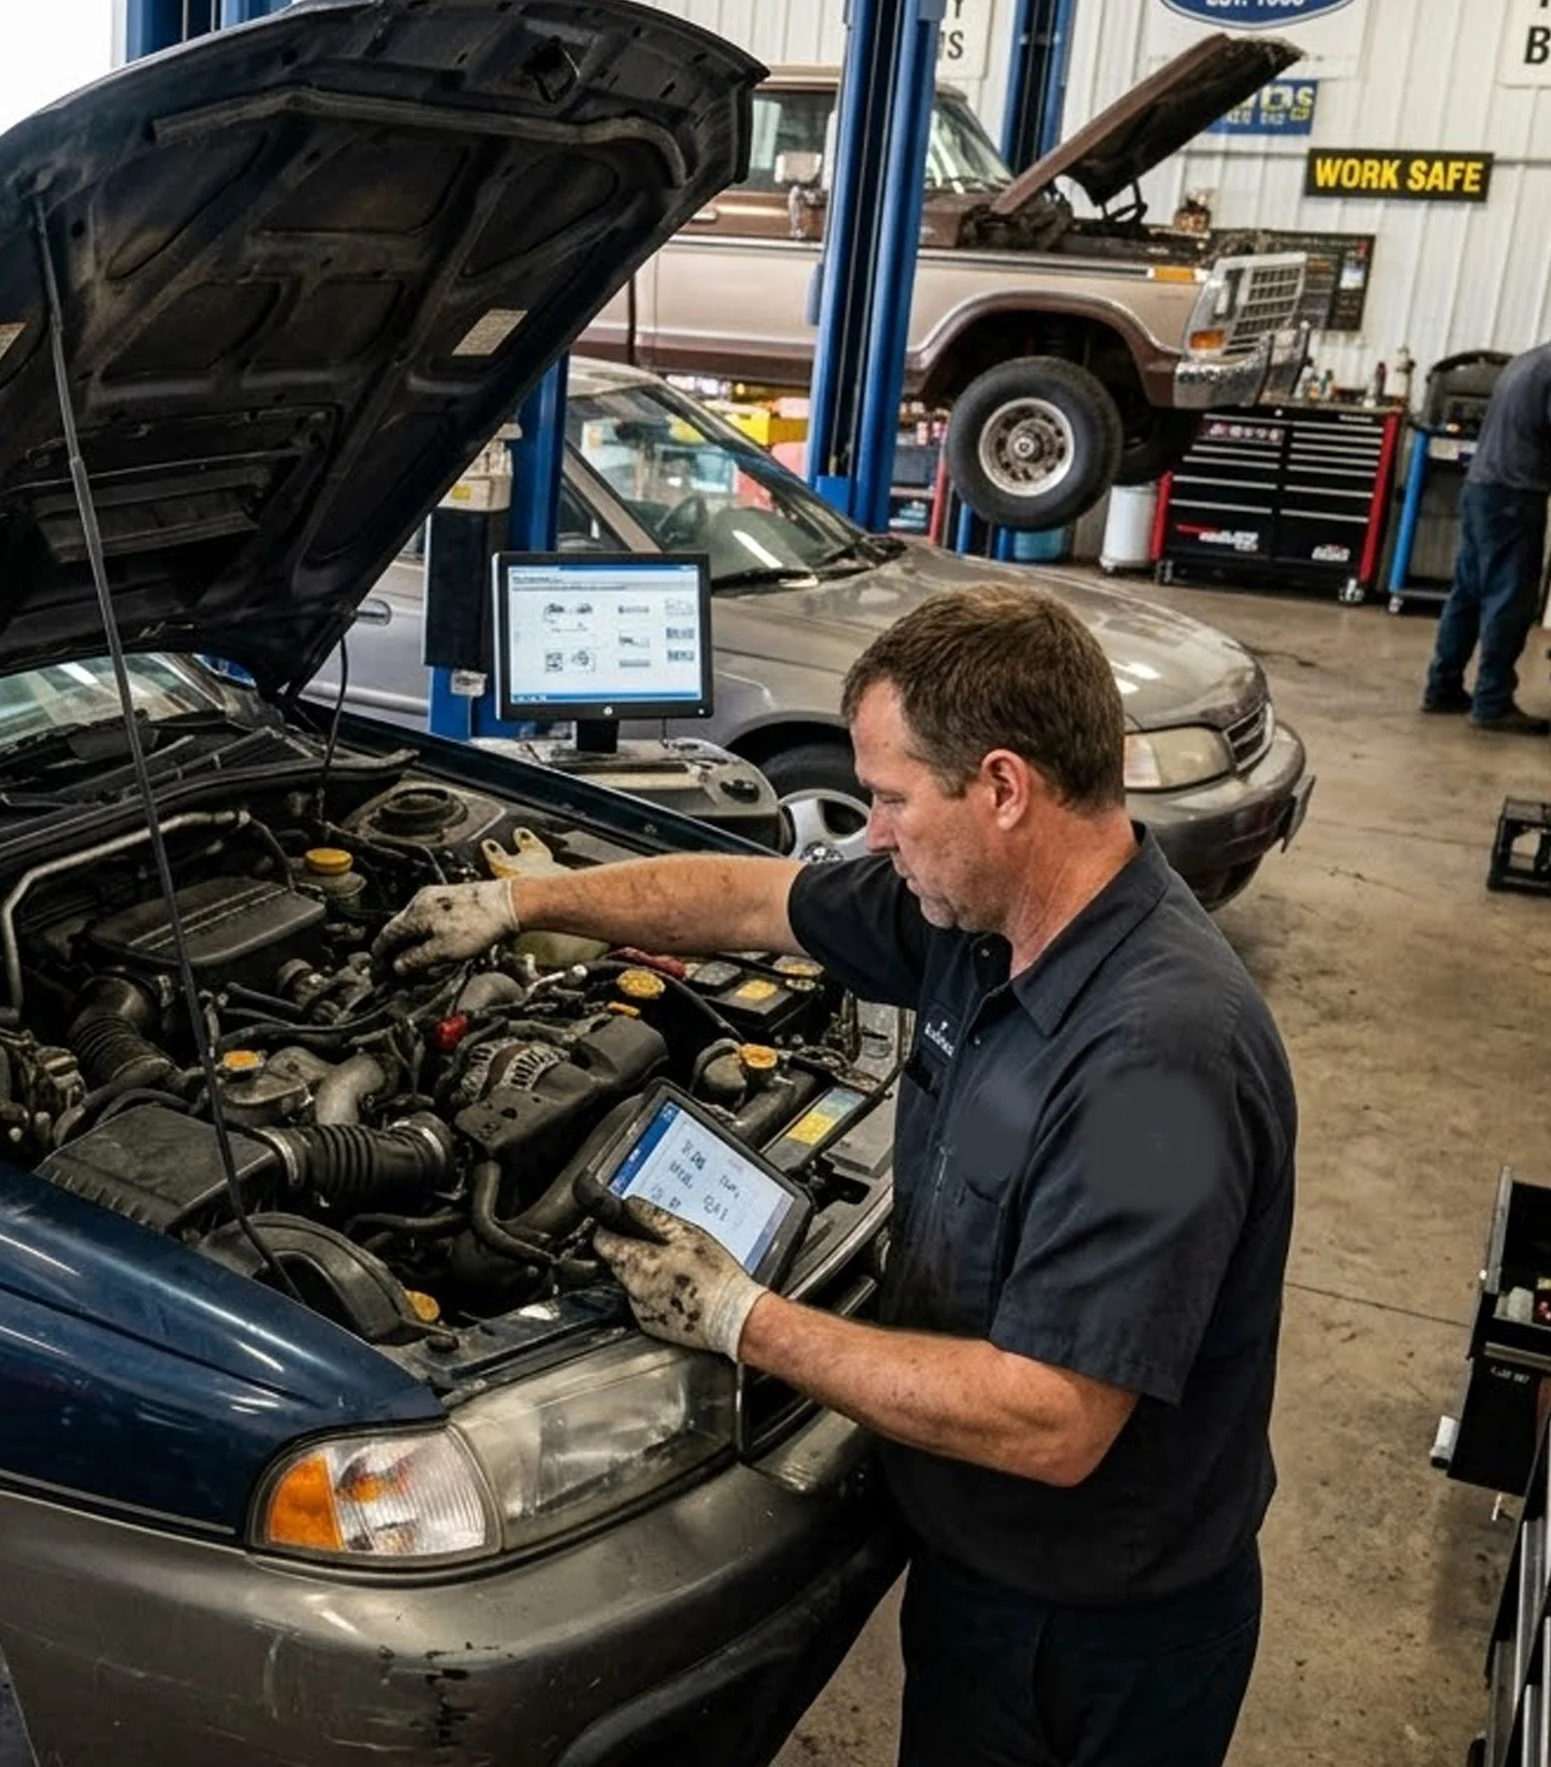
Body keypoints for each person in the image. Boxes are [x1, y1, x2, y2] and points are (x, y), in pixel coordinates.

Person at [375, 586, 1295, 1767]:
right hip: (973, 1560)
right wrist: (521, 900)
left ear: (1003, 788)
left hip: (1088, 1637)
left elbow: (1052, 1421)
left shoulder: (1155, 1062)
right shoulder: (984, 917)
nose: (872, 836)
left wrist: (741, 1319)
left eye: (891, 799)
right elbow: (755, 898)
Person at [1425, 338, 1551, 733]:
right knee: (1508, 600)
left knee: (1468, 593)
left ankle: (1442, 688)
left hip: (1482, 487)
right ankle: (1492, 702)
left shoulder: (1528, 361)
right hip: (1515, 495)